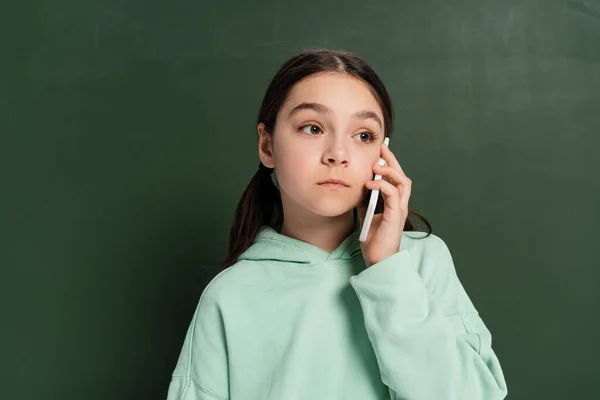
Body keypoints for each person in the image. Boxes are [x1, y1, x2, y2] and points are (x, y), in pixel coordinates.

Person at [166, 48, 508, 400]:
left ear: (383, 154)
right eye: (312, 128)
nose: (338, 154)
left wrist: (387, 269)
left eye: (363, 136)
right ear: (267, 145)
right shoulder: (229, 295)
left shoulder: (421, 262)